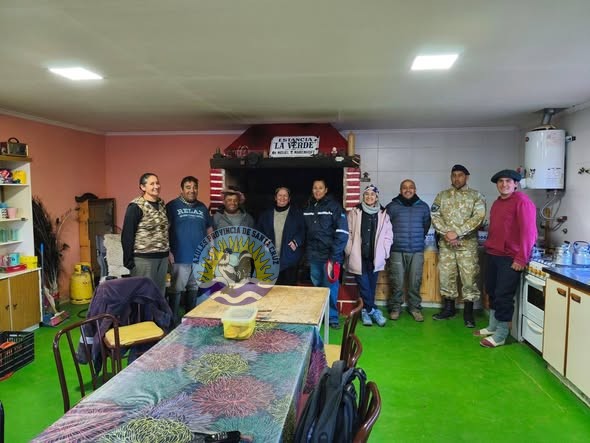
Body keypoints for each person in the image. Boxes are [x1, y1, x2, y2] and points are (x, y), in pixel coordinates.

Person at [476, 170, 537, 347]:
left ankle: (501, 334)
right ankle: (493, 326)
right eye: (501, 181)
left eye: (508, 181)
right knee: (492, 291)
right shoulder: (497, 203)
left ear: (515, 184)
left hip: (510, 258)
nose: (504, 184)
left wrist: (521, 258)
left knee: (503, 295)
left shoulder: (522, 202)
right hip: (493, 254)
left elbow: (529, 232)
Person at [431, 164, 486, 327]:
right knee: (446, 276)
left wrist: (458, 233)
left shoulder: (476, 196)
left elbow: (478, 218)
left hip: (467, 246)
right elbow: (435, 215)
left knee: (469, 278)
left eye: (460, 175)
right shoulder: (442, 196)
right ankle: (449, 309)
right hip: (446, 245)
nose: (457, 178)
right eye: (454, 175)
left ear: (466, 177)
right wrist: (447, 233)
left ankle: (468, 313)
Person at [303, 179, 349, 329]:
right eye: (315, 188)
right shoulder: (308, 207)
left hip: (330, 256)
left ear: (326, 190)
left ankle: (332, 318)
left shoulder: (334, 207)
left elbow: (342, 232)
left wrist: (334, 255)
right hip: (314, 256)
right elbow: (304, 231)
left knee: (331, 288)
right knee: (317, 287)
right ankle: (320, 315)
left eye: (320, 188)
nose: (317, 191)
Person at [345, 185, 393, 327]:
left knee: (371, 286)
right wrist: (349, 250)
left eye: (372, 195)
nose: (369, 197)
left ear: (376, 197)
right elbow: (348, 232)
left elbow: (388, 235)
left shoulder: (384, 214)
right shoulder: (355, 212)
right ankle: (373, 310)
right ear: (363, 197)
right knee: (364, 286)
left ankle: (365, 311)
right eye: (367, 194)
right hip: (358, 256)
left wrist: (385, 252)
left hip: (375, 257)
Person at [166, 176, 212, 324]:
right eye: (188, 187)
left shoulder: (202, 207)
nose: (192, 190)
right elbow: (164, 229)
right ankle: (173, 322)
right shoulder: (172, 206)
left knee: (194, 287)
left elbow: (209, 229)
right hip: (180, 256)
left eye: (194, 187)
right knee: (176, 289)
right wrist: (168, 251)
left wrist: (211, 248)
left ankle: (189, 320)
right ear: (181, 189)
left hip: (200, 257)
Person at [385, 179, 431, 322]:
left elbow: (426, 226)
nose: (408, 190)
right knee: (396, 281)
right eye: (404, 187)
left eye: (411, 187)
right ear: (400, 190)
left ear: (415, 190)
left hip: (416, 250)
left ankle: (415, 308)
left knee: (415, 281)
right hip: (396, 250)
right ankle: (395, 308)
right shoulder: (392, 207)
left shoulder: (423, 207)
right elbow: (385, 227)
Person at [121, 172, 169, 295]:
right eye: (152, 184)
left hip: (162, 257)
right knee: (144, 295)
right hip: (144, 259)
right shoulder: (135, 206)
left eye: (157, 183)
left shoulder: (162, 204)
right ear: (143, 187)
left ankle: (158, 310)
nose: (156, 186)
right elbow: (127, 235)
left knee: (159, 294)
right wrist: (128, 261)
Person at [257, 186, 305, 285]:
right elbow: (258, 231)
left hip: (290, 257)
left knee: (289, 288)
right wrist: (263, 241)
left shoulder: (297, 214)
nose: (282, 198)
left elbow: (303, 231)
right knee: (274, 288)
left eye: (285, 196)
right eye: (280, 195)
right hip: (271, 258)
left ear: (289, 198)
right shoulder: (266, 215)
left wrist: (296, 241)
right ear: (275, 198)